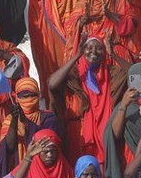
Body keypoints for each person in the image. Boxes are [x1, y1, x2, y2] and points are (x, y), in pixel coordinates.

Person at [48, 34, 114, 164]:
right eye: (89, 47)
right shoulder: (74, 73)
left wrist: (113, 55)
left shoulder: (111, 73)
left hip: (105, 134)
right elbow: (52, 84)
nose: (93, 51)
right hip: (79, 133)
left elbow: (134, 75)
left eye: (99, 47)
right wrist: (77, 56)